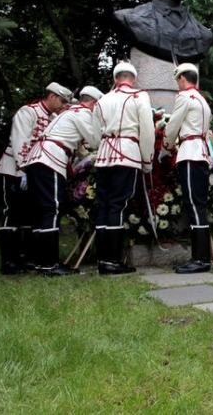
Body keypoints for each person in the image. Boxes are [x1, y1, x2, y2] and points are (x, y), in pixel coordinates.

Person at [22, 87, 104, 276]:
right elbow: (94, 141)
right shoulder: (82, 113)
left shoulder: (69, 112)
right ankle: (49, 264)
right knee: (52, 208)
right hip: (50, 159)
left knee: (41, 210)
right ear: (93, 103)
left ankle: (41, 261)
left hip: (38, 157)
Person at [0, 81, 73, 274]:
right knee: (12, 213)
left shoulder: (53, 117)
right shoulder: (28, 112)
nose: (63, 105)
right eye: (62, 100)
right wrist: (23, 171)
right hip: (14, 170)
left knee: (31, 214)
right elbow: (20, 140)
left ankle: (26, 257)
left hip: (36, 172)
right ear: (52, 96)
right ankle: (9, 261)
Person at [94, 62, 155, 275]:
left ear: (114, 79)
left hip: (104, 155)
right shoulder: (139, 97)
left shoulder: (102, 100)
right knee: (117, 205)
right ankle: (112, 261)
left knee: (104, 204)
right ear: (134, 79)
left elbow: (95, 134)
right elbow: (147, 131)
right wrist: (147, 160)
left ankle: (102, 258)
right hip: (127, 154)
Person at [159, 63, 213, 274]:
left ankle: (200, 259)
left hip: (190, 154)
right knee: (197, 204)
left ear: (182, 79)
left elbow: (173, 125)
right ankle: (200, 258)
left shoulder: (185, 97)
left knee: (194, 205)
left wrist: (165, 147)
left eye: (177, 81)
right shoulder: (202, 100)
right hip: (200, 153)